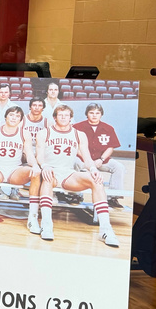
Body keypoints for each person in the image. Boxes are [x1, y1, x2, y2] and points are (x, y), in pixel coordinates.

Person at [36, 105, 118, 247]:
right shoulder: (44, 133)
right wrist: (45, 166)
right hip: (51, 171)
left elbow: (86, 157)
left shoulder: (78, 134)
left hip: (68, 173)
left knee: (96, 180)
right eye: (60, 115)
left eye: (66, 115)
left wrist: (93, 168)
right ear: (55, 117)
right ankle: (46, 224)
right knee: (48, 179)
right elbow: (39, 155)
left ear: (71, 118)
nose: (63, 118)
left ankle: (106, 229)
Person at [0, 106, 39, 229]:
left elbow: (29, 155)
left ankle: (33, 217)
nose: (14, 118)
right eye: (11, 115)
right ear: (5, 116)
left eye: (17, 116)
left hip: (15, 170)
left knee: (35, 173)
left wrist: (36, 166)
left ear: (21, 120)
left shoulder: (25, 134)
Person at [73, 103, 124, 204]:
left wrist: (101, 159)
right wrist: (88, 160)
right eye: (91, 113)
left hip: (100, 160)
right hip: (83, 160)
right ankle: (74, 195)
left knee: (119, 167)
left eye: (97, 113)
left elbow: (111, 147)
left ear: (101, 114)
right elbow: (74, 146)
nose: (94, 115)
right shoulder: (77, 127)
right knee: (74, 163)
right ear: (87, 114)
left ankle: (112, 197)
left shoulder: (108, 128)